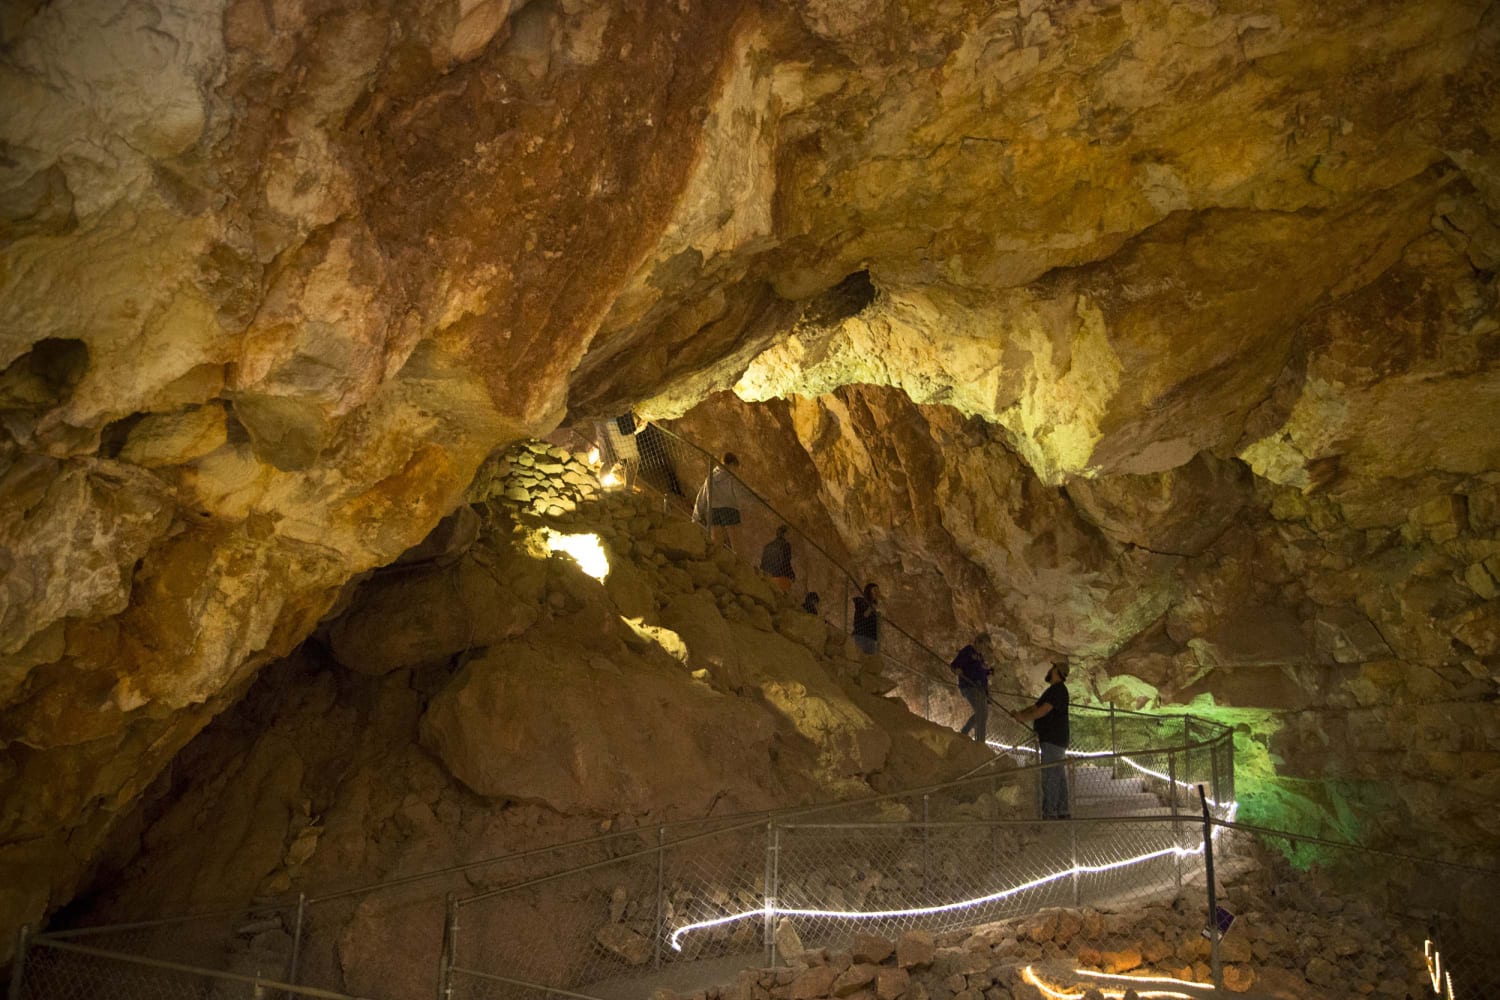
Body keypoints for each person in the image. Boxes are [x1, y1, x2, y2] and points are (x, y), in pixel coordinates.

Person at [1009, 662, 1071, 820]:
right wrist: (1020, 714)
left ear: (1056, 671)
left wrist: (1023, 718)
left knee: (1051, 774)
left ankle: (1050, 811)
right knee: (1057, 774)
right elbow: (1036, 707)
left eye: (1052, 668)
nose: (1049, 670)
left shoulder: (1058, 690)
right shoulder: (1053, 691)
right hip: (1055, 739)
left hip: (1052, 738)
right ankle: (1062, 810)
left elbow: (1044, 710)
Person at [693, 453, 745, 550]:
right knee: (736, 542)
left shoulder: (711, 477)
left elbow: (702, 496)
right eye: (735, 467)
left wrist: (696, 515)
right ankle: (739, 563)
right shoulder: (732, 478)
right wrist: (761, 498)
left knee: (716, 542)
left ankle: (717, 561)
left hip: (713, 510)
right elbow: (741, 493)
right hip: (730, 509)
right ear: (732, 464)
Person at [950, 634, 994, 743]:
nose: (985, 648)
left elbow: (980, 672)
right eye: (984, 645)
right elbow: (955, 664)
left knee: (982, 713)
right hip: (970, 686)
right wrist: (956, 669)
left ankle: (965, 733)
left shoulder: (980, 657)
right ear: (979, 641)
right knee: (982, 713)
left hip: (980, 689)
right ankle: (979, 742)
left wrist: (988, 672)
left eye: (987, 646)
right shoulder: (969, 650)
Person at [759, 525, 795, 591]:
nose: (790, 536)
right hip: (780, 577)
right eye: (789, 534)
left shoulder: (767, 546)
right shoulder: (786, 545)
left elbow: (762, 564)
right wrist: (792, 576)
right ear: (785, 534)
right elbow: (786, 563)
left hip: (767, 578)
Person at [851, 582, 880, 655]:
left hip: (870, 637)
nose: (877, 593)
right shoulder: (860, 601)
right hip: (861, 635)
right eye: (875, 591)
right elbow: (865, 615)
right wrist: (872, 606)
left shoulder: (874, 608)